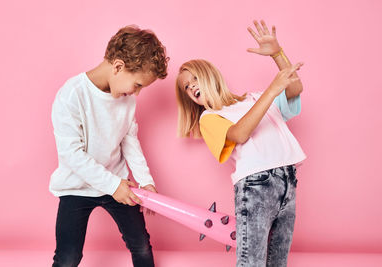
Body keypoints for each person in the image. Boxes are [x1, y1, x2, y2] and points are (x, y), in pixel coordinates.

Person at [175, 20, 306, 267]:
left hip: (288, 182)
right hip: (256, 188)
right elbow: (240, 134)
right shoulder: (209, 118)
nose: (191, 86)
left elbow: (295, 88)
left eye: (194, 78)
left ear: (209, 75)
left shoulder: (253, 99)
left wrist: (278, 54)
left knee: (278, 263)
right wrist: (272, 89)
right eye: (186, 86)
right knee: (252, 263)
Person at [50, 25, 169, 267]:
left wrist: (146, 180)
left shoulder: (126, 101)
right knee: (68, 257)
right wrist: (112, 185)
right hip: (77, 186)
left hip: (119, 184)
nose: (136, 93)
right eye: (137, 85)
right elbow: (72, 154)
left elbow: (129, 140)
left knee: (142, 247)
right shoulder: (72, 95)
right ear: (117, 67)